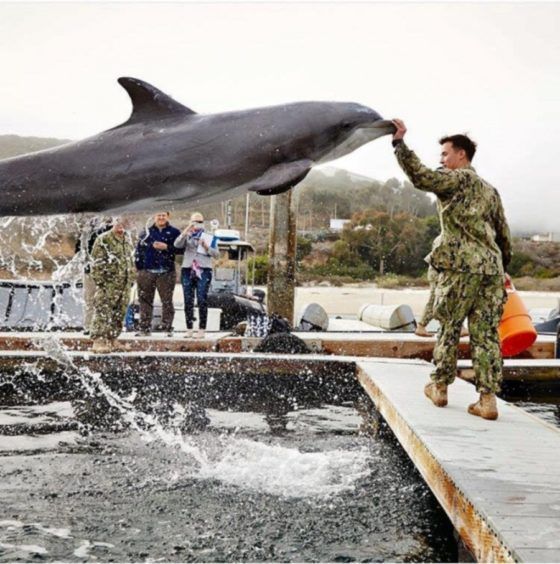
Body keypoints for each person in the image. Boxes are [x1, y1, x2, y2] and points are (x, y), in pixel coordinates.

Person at [392, 120, 511, 420]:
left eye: (445, 154)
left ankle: (440, 387)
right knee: (486, 335)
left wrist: (399, 144)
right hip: (491, 270)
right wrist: (504, 267)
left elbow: (420, 176)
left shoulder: (456, 180)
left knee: (449, 326)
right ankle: (487, 400)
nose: (442, 160)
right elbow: (503, 234)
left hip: (459, 267)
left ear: (461, 155)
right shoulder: (490, 191)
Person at [89, 216, 135, 353]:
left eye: (124, 222)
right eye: (119, 222)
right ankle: (98, 341)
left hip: (124, 284)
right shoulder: (104, 239)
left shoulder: (127, 239)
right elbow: (96, 263)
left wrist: (131, 278)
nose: (121, 225)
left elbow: (129, 260)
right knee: (103, 312)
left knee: (119, 313)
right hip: (108, 284)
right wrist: (101, 283)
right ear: (113, 222)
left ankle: (112, 339)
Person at [134, 211, 181, 336]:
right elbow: (138, 250)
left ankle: (167, 327)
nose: (161, 217)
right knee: (144, 300)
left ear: (168, 216)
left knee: (167, 301)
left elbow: (181, 250)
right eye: (158, 215)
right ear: (154, 217)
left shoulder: (175, 232)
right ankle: (144, 328)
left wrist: (167, 247)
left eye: (163, 215)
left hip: (166, 271)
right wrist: (139, 269)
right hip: (146, 271)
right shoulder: (146, 232)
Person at [174, 212, 219, 339]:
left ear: (203, 222)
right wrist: (186, 230)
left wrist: (205, 246)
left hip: (204, 269)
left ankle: (201, 329)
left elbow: (216, 254)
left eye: (199, 222)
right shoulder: (187, 235)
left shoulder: (210, 235)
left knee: (202, 298)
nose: (197, 224)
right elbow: (176, 245)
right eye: (194, 221)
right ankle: (189, 328)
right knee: (188, 299)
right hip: (188, 269)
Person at [74, 216, 113, 334]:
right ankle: (88, 326)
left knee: (104, 300)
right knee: (89, 299)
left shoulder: (110, 232)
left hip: (105, 272)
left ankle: (103, 326)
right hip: (89, 271)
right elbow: (78, 251)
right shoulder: (85, 234)